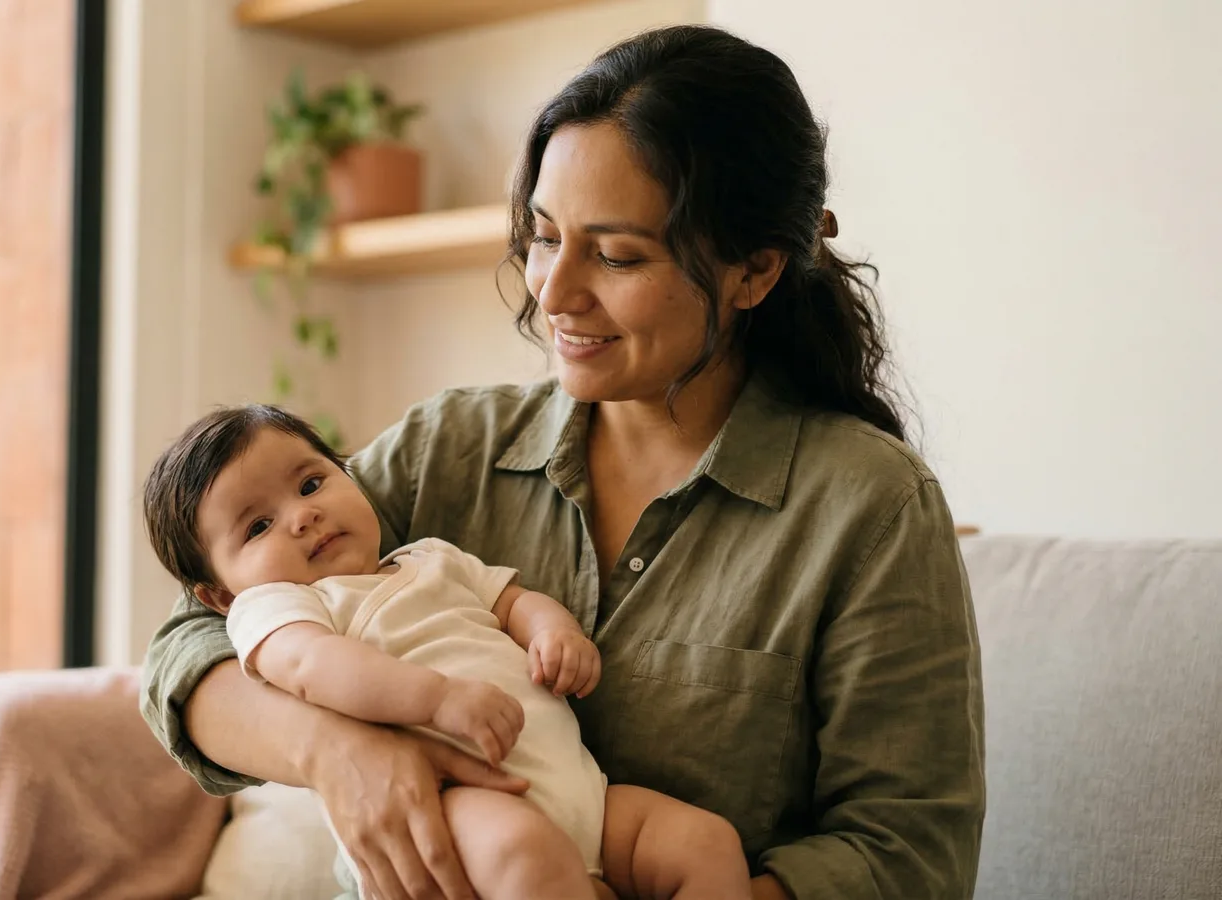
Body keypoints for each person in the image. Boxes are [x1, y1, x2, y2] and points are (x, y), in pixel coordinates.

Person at [143, 23, 985, 900]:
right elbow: (189, 641)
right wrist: (336, 750)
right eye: (544, 236)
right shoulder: (451, 450)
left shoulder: (870, 509)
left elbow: (907, 855)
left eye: (616, 255)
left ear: (755, 271)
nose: (551, 292)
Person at [142, 404, 754, 899]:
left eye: (310, 483)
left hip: (577, 792)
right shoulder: (277, 610)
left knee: (704, 844)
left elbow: (512, 601)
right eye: (257, 527)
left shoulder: (429, 557)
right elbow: (311, 670)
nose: (302, 516)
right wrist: (435, 698)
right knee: (527, 857)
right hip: (454, 815)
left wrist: (554, 631)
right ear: (220, 593)